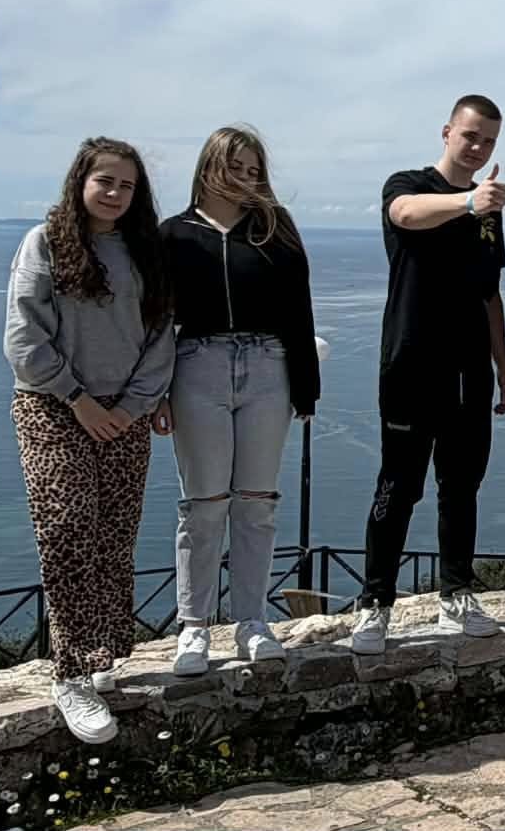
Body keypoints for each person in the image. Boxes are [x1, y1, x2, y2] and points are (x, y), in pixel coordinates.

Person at [4, 137, 175, 744]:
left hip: (123, 413)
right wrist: (77, 399)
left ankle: (103, 653)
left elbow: (161, 336)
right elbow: (23, 336)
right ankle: (71, 672)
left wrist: (130, 407)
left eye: (127, 185)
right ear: (80, 181)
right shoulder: (45, 243)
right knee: (68, 530)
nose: (115, 193)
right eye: (105, 180)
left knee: (113, 535)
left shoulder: (145, 252)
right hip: (53, 407)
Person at [350, 95, 505, 655]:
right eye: (470, 135)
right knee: (398, 485)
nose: (478, 147)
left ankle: (457, 592)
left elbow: (490, 294)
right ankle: (375, 602)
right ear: (447, 132)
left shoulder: (488, 211)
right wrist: (469, 201)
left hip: (469, 368)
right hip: (412, 362)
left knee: (462, 485)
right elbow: (404, 215)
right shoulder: (410, 184)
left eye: (489, 140)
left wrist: (503, 365)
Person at [154, 125, 319, 676]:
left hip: (269, 366)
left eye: (254, 170)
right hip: (196, 364)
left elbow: (299, 308)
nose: (246, 178)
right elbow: (155, 320)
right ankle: (194, 627)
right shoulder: (173, 235)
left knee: (256, 502)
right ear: (208, 168)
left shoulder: (275, 228)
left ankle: (251, 620)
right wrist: (155, 392)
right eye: (235, 167)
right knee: (203, 505)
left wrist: (306, 385)